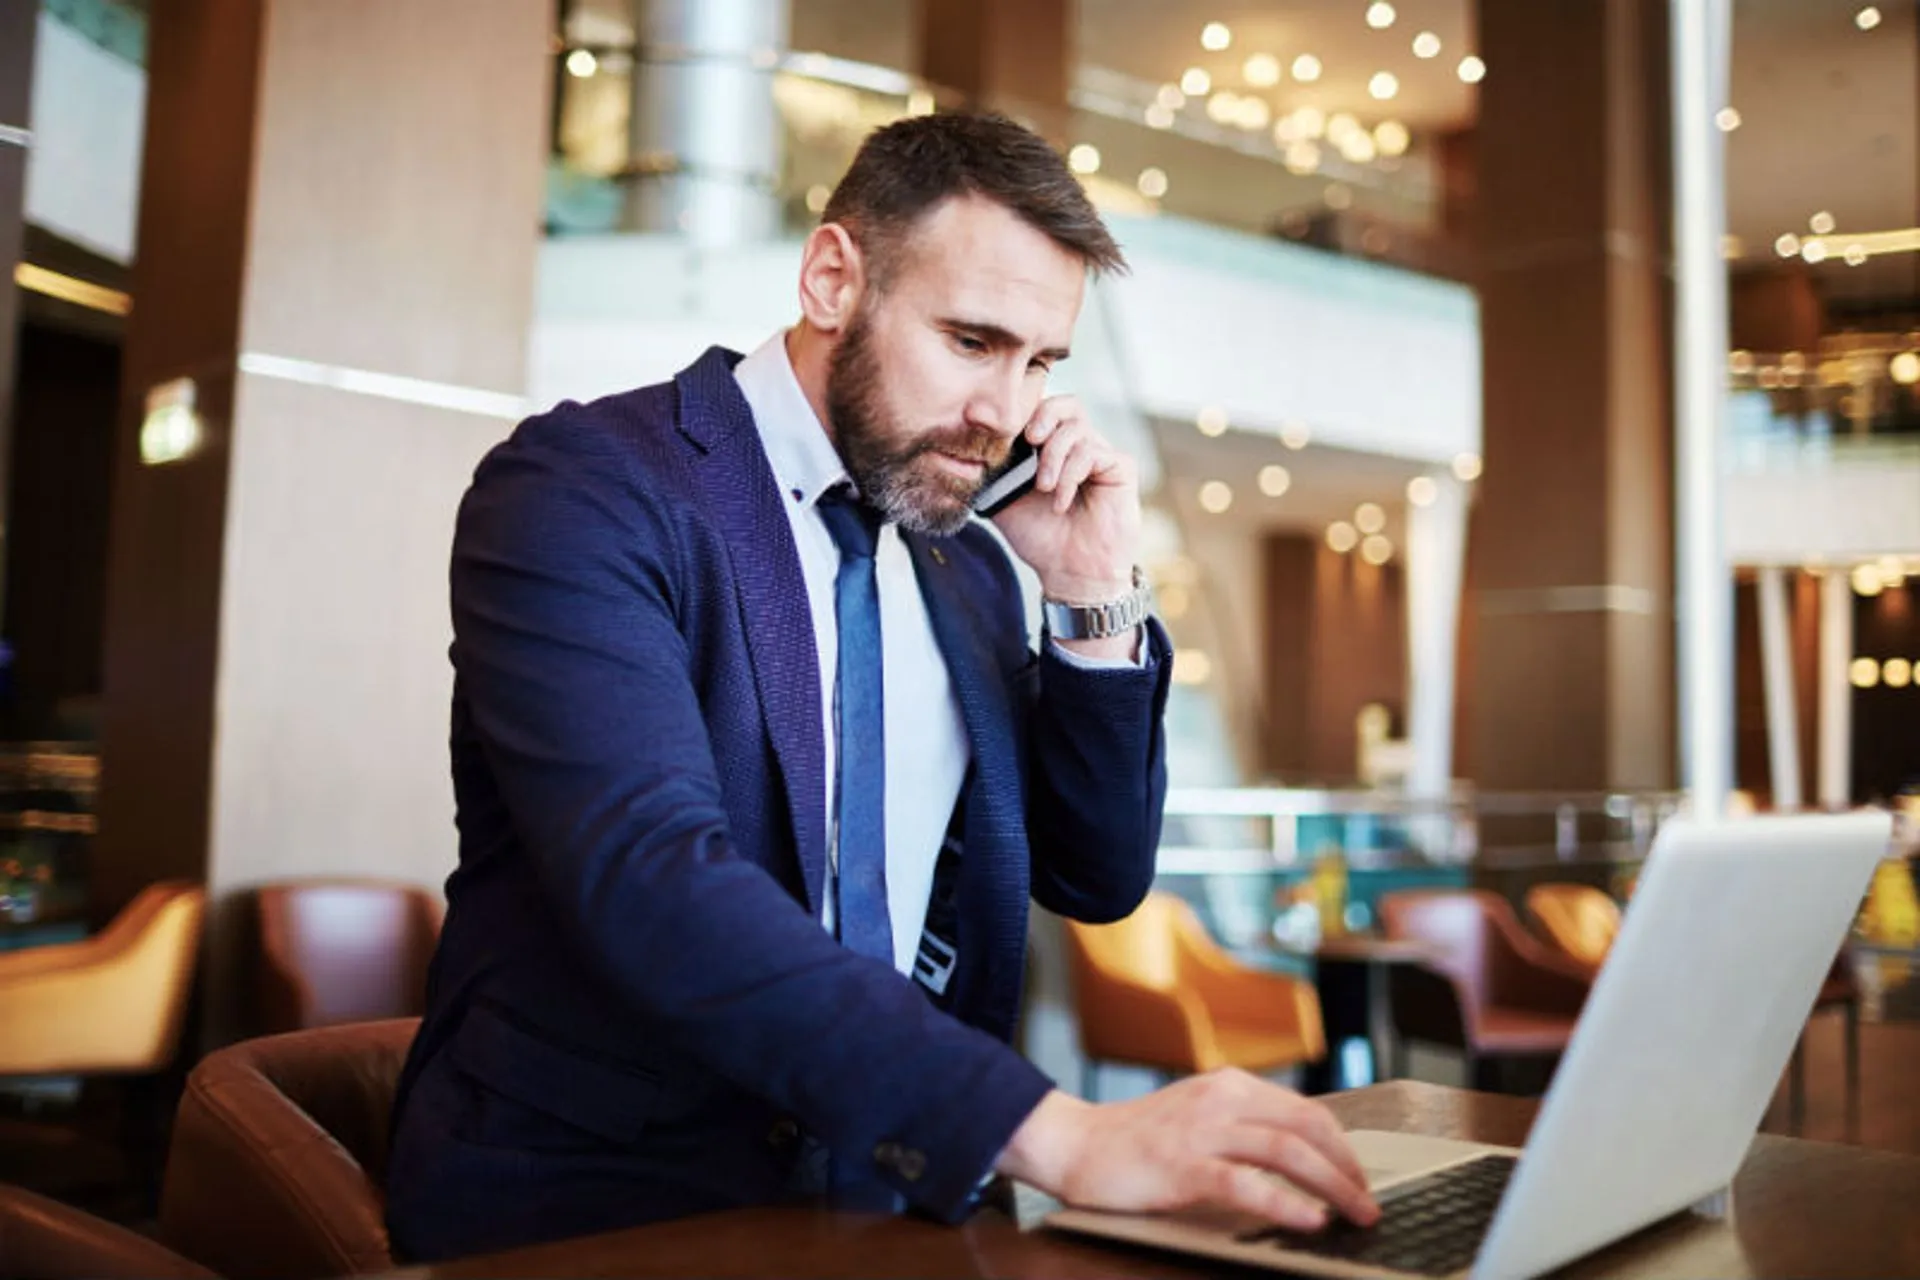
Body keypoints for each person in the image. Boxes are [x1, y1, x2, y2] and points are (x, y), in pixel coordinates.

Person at [384, 110, 1378, 1262]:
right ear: (830, 279)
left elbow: (1096, 876)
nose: (1006, 412)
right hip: (604, 1206)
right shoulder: (585, 490)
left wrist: (1093, 593)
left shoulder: (967, 561)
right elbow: (650, 875)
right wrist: (1046, 1131)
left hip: (903, 1203)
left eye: (1040, 361)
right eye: (972, 340)